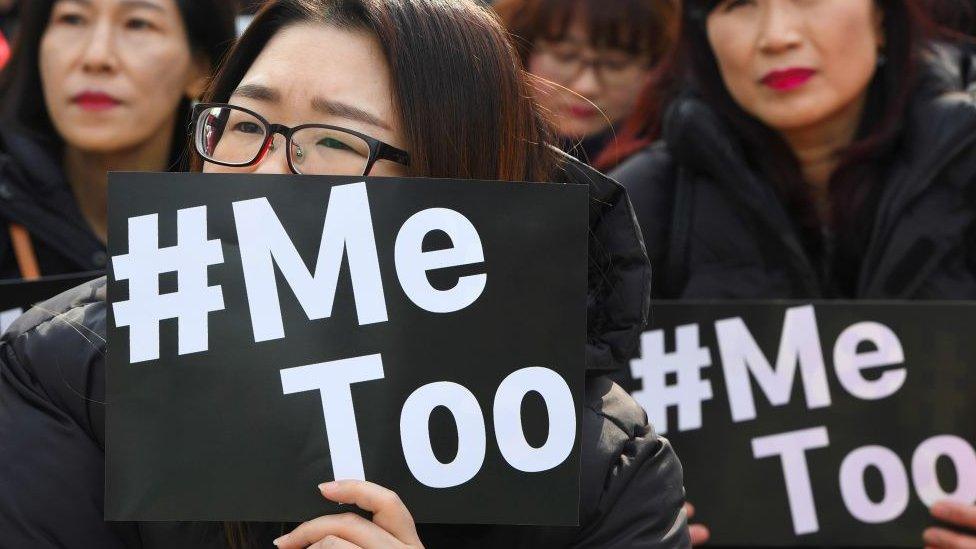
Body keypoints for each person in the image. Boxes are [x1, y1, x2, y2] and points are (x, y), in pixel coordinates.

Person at [0, 1, 690, 547]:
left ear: (453, 190)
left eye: (332, 141)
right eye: (242, 124)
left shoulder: (604, 469)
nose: (262, 175)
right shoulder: (67, 367)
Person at [610, 0, 976, 545]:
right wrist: (627, 522)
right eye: (737, 5)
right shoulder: (634, 207)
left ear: (883, 17)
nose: (776, 36)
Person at [0, 0, 236, 279]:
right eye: (73, 19)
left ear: (202, 69)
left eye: (138, 23)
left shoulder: (240, 228)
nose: (97, 57)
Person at [492, 0, 675, 168]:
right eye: (565, 55)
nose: (586, 87)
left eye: (615, 64)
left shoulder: (674, 171)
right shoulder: (477, 148)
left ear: (656, 68)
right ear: (519, 51)